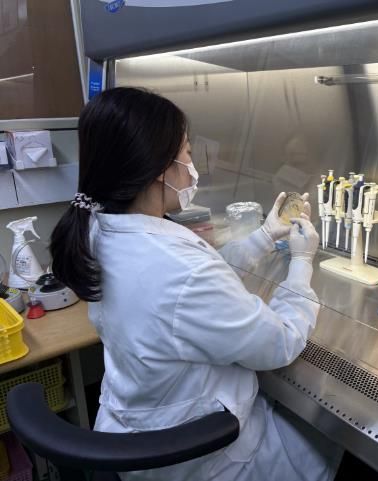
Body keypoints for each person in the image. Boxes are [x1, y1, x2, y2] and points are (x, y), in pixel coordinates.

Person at [50, 87, 343, 480]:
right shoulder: (178, 268)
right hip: (201, 456)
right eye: (187, 153)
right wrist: (302, 264)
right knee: (329, 442)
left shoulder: (101, 230)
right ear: (160, 167)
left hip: (138, 429)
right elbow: (280, 344)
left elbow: (192, 286)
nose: (191, 166)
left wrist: (264, 236)